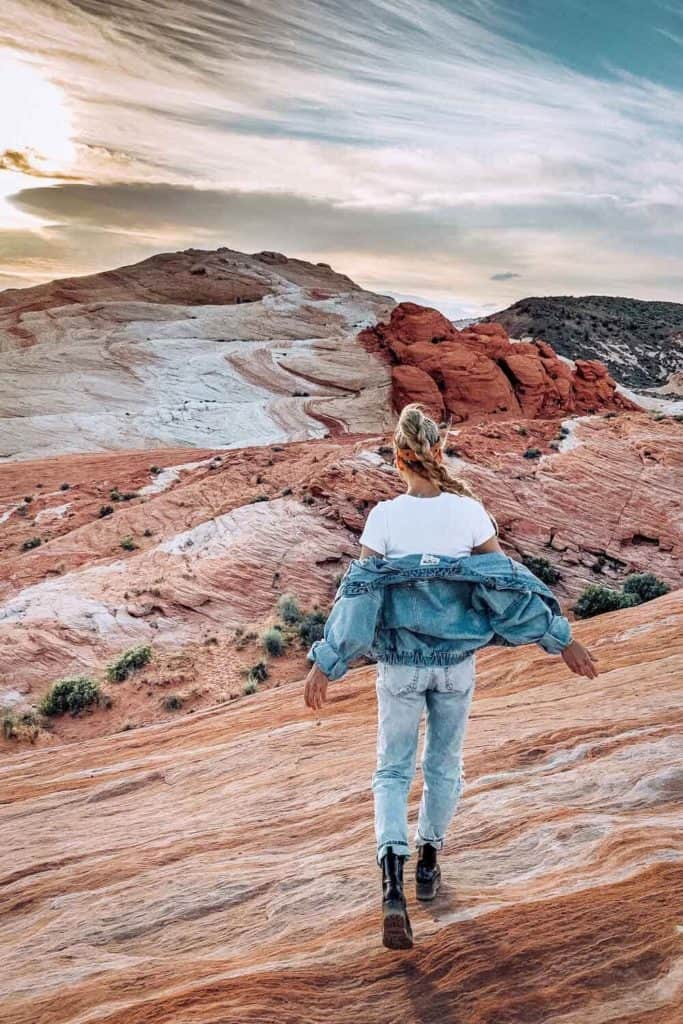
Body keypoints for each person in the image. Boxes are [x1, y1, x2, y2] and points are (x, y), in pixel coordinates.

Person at [303, 403, 598, 950]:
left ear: (398, 457)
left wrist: (328, 661)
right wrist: (561, 640)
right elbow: (507, 589)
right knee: (444, 767)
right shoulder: (469, 513)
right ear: (438, 452)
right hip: (456, 668)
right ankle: (429, 863)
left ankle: (392, 885)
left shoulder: (384, 518)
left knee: (392, 773)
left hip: (399, 670)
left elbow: (359, 599)